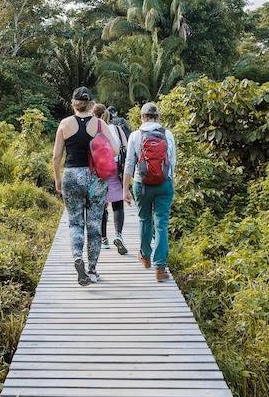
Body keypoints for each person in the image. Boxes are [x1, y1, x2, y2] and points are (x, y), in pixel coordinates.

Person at [52, 87, 119, 285]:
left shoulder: (64, 124)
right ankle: (91, 270)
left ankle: (77, 258)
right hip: (95, 177)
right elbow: (115, 150)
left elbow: (56, 156)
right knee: (93, 224)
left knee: (75, 222)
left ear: (73, 103)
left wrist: (57, 179)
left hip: (72, 175)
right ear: (91, 104)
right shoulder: (99, 124)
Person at [122, 101, 177, 282]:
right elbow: (173, 162)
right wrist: (168, 182)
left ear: (142, 117)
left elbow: (129, 163)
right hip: (164, 184)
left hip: (142, 184)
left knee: (144, 219)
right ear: (158, 117)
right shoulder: (167, 134)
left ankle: (145, 257)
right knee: (161, 224)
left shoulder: (136, 135)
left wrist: (125, 190)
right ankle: (160, 268)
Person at [92, 103, 128, 255]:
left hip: (99, 169)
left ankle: (103, 239)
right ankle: (118, 235)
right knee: (118, 203)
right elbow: (125, 147)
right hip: (115, 168)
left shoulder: (92, 129)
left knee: (101, 203)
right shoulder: (118, 129)